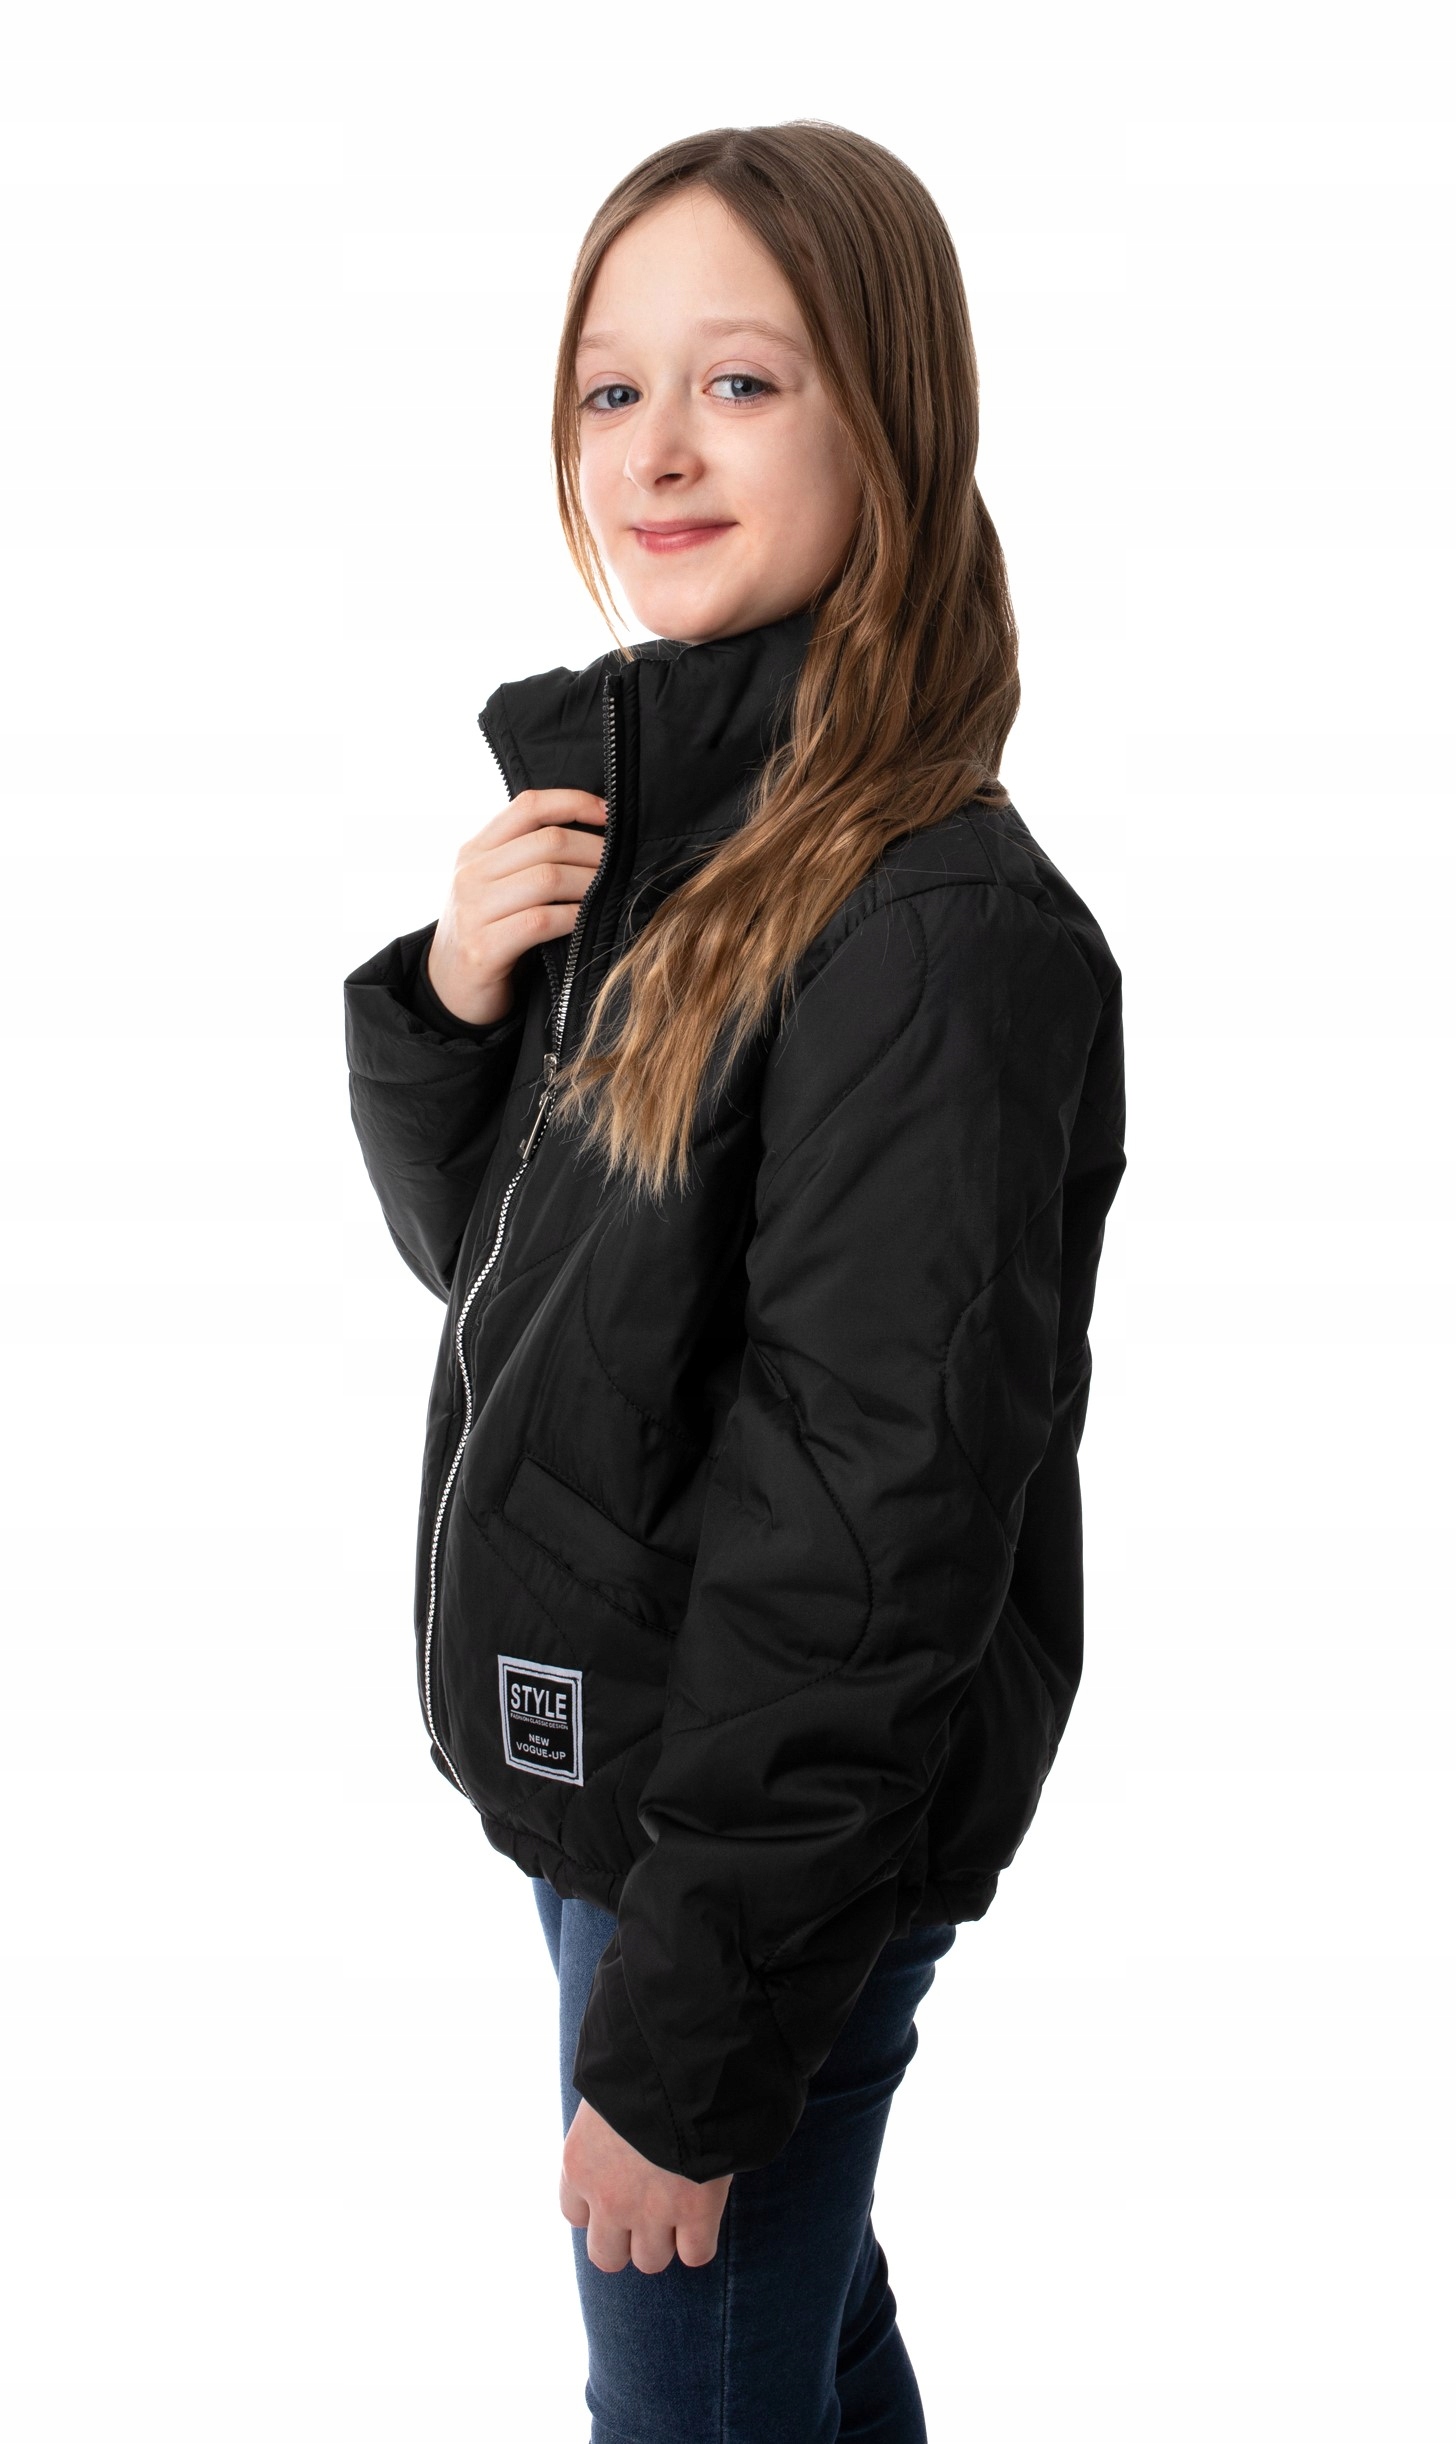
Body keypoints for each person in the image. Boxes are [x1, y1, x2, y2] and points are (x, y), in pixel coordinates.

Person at [343, 120, 1126, 2444]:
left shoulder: (930, 929)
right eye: (611, 390)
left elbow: (866, 1535)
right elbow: (515, 1296)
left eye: (742, 382)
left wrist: (684, 2051)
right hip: (645, 1821)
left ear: (892, 416)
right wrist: (454, 1004)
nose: (655, 450)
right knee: (795, 2347)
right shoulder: (670, 855)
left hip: (740, 1855)